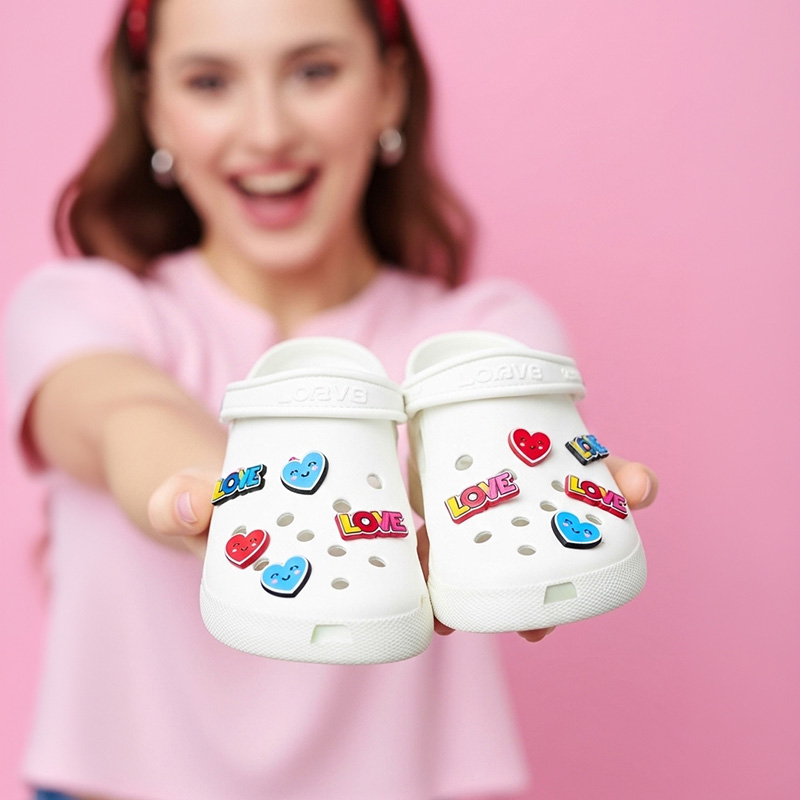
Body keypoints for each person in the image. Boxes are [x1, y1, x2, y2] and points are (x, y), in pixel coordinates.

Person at [3, 1, 659, 799]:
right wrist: (225, 507)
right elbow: (119, 417)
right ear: (153, 108)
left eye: (314, 71)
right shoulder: (79, 307)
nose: (269, 131)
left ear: (389, 89)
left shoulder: (483, 330)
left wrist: (478, 513)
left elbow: (437, 472)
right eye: (210, 81)